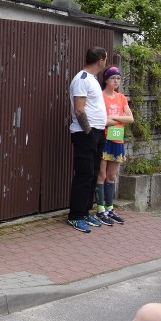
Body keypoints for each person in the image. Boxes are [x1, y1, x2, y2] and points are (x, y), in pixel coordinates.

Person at [67, 47, 108, 233]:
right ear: (101, 60)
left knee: (93, 173)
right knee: (84, 174)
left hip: (98, 132)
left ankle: (85, 212)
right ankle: (75, 216)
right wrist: (89, 131)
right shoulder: (81, 79)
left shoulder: (92, 80)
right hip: (85, 133)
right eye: (105, 59)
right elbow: (79, 109)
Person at [95, 66, 133, 225]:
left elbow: (130, 119)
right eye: (112, 78)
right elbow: (102, 121)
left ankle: (110, 208)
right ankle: (100, 210)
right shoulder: (100, 97)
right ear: (106, 79)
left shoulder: (122, 97)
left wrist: (114, 117)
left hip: (117, 140)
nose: (116, 81)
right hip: (104, 140)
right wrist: (120, 118)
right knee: (101, 175)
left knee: (111, 176)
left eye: (118, 78)